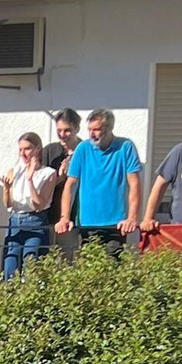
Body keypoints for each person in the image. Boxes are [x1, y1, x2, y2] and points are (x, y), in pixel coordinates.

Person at [55, 107, 142, 254]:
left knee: (113, 265)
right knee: (88, 265)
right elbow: (70, 184)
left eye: (96, 129)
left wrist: (132, 218)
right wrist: (64, 217)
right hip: (87, 224)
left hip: (115, 224)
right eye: (90, 129)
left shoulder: (125, 147)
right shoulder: (83, 148)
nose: (92, 134)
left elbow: (134, 183)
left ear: (109, 128)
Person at [0, 132, 58, 279]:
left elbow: (39, 205)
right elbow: (8, 204)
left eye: (27, 149)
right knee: (9, 266)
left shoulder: (48, 173)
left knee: (31, 267)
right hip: (15, 222)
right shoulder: (14, 171)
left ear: (37, 149)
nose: (22, 153)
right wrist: (6, 189)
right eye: (20, 149)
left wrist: (30, 180)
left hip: (36, 222)